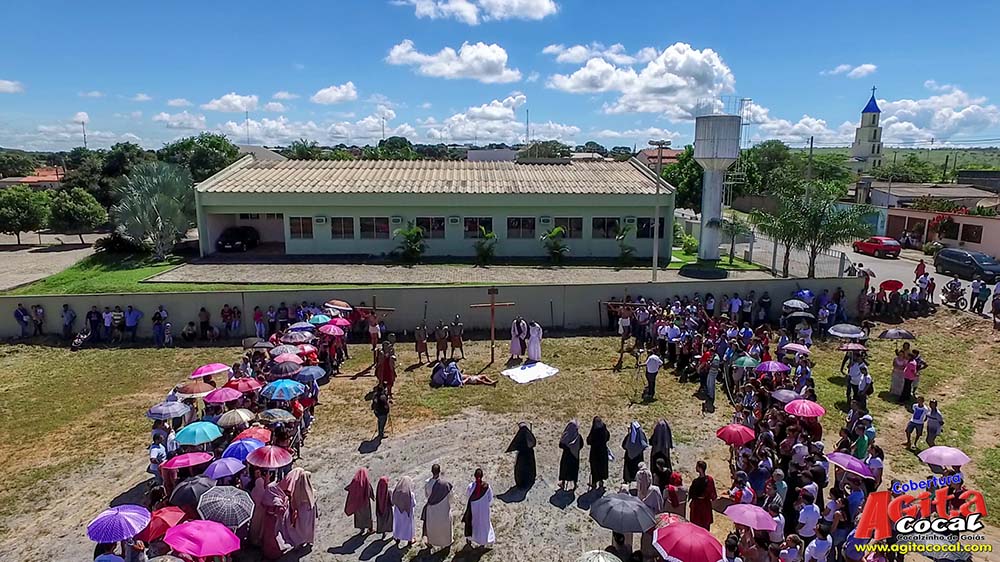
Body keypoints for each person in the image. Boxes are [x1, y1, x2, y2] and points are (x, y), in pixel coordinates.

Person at [280, 467, 317, 548]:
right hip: (310, 512)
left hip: (301, 511)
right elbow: (314, 500)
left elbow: (294, 500)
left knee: (300, 527)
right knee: (309, 526)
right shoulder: (311, 490)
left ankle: (300, 540)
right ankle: (308, 539)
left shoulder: (297, 489)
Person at [422, 464, 453, 549]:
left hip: (432, 509)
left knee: (432, 526)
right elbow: (450, 497)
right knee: (445, 526)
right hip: (443, 509)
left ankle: (432, 542)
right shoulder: (445, 484)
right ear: (439, 472)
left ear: (431, 472)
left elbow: (426, 496)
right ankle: (447, 543)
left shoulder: (427, 483)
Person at [463, 468, 495, 548]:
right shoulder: (487, 487)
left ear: (474, 476)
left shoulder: (471, 486)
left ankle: (470, 539)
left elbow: (467, 496)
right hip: (484, 510)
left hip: (473, 509)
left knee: (473, 524)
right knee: (484, 525)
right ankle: (483, 542)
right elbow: (490, 499)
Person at [506, 422, 537, 489]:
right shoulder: (529, 435)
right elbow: (533, 443)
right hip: (529, 455)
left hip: (522, 457)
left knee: (521, 471)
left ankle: (522, 483)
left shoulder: (521, 437)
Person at [688, 460, 717, 531]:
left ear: (700, 468)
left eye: (697, 466)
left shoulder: (696, 481)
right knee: (705, 527)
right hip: (705, 505)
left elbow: (691, 494)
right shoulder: (709, 480)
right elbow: (713, 495)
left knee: (696, 527)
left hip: (697, 506)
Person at [344, 468, 374, 534]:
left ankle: (362, 529)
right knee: (367, 516)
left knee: (359, 517)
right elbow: (369, 490)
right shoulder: (366, 481)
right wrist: (372, 497)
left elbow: (348, 487)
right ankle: (370, 529)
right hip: (365, 503)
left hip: (357, 503)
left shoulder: (355, 481)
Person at [557, 419, 583, 491]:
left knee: (564, 469)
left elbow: (561, 445)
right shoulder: (578, 436)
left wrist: (567, 447)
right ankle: (575, 484)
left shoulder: (566, 435)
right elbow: (581, 445)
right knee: (574, 470)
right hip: (575, 456)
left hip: (566, 456)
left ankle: (563, 482)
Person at [391, 476, 416, 547]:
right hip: (407, 514)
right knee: (408, 527)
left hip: (398, 513)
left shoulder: (396, 492)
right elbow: (414, 504)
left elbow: (393, 501)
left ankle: (397, 538)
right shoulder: (410, 494)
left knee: (398, 525)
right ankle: (409, 541)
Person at [587, 416, 611, 489]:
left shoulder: (594, 431)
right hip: (602, 451)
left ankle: (594, 483)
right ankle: (601, 481)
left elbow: (589, 441)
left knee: (594, 467)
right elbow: (608, 437)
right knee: (602, 466)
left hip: (595, 452)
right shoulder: (604, 430)